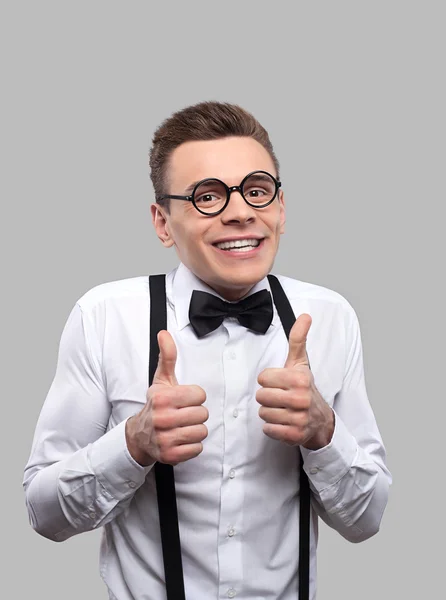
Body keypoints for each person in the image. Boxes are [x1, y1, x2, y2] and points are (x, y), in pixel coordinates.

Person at [23, 101, 392, 600]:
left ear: (281, 210)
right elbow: (45, 514)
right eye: (207, 196)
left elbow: (366, 520)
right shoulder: (104, 316)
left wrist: (324, 434)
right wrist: (132, 444)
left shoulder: (331, 317)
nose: (241, 212)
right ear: (162, 221)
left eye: (257, 191)